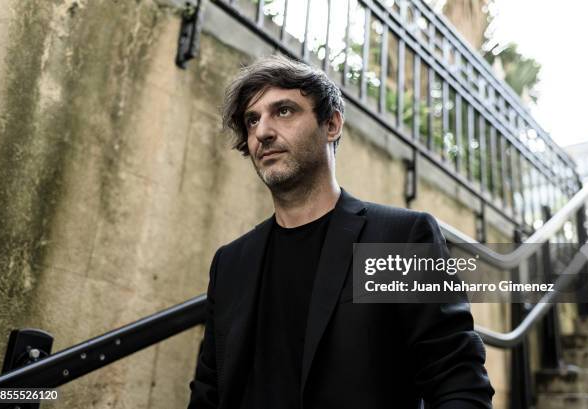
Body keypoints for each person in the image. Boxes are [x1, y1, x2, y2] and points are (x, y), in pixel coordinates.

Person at [187, 55, 494, 409]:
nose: (262, 132)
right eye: (252, 119)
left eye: (283, 111)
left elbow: (458, 383)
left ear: (331, 124)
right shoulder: (230, 263)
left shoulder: (399, 239)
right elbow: (208, 392)